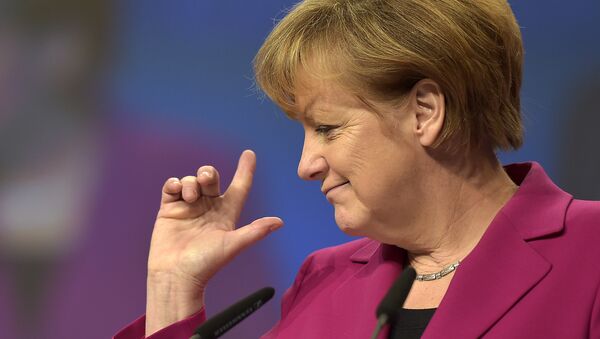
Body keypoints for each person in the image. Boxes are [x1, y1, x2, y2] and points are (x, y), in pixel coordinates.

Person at [115, 0, 600, 338]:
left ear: (424, 112)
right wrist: (172, 288)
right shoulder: (326, 280)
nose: (306, 165)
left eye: (327, 128)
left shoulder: (590, 253)